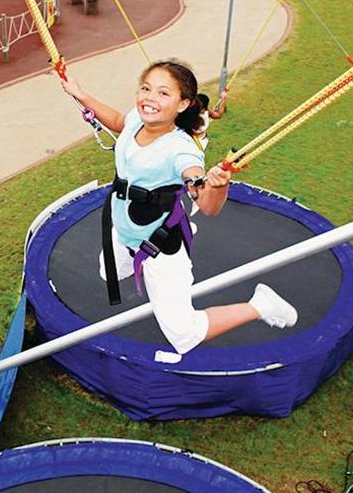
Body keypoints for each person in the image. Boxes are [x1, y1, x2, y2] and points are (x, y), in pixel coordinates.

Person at [61, 60, 297, 361]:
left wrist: (218, 185)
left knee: (184, 336)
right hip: (123, 230)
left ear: (183, 104)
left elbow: (208, 205)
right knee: (108, 274)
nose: (149, 99)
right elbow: (120, 120)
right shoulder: (138, 120)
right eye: (145, 89)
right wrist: (81, 94)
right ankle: (143, 255)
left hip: (160, 245)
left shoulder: (181, 150)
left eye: (163, 94)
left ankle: (260, 305)